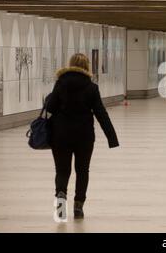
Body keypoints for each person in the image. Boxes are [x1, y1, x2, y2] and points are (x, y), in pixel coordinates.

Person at [46, 53, 119, 220]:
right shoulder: (91, 87)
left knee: (62, 171)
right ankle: (78, 207)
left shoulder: (60, 83)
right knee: (82, 171)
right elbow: (101, 113)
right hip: (84, 136)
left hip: (61, 135)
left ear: (70, 64)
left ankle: (61, 202)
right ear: (87, 67)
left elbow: (50, 108)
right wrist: (112, 138)